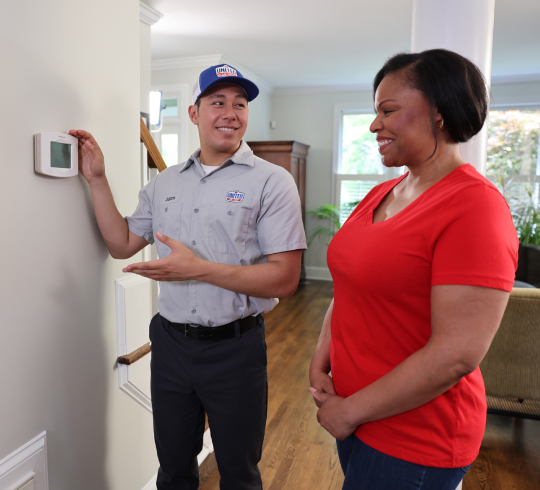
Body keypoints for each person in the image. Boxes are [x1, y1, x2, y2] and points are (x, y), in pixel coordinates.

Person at [70, 64, 306, 490]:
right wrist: (97, 179)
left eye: (240, 103)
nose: (230, 113)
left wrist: (198, 269)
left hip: (236, 349)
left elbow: (284, 280)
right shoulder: (164, 184)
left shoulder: (272, 181)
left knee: (238, 473)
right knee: (175, 470)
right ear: (195, 114)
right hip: (172, 346)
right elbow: (122, 243)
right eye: (217, 102)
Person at [309, 49, 518, 490]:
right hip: (356, 414)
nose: (373, 125)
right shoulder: (383, 192)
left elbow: (455, 355)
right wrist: (319, 363)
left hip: (414, 436)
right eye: (374, 112)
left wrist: (349, 410)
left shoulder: (475, 207)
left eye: (388, 111)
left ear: (439, 112)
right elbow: (349, 287)